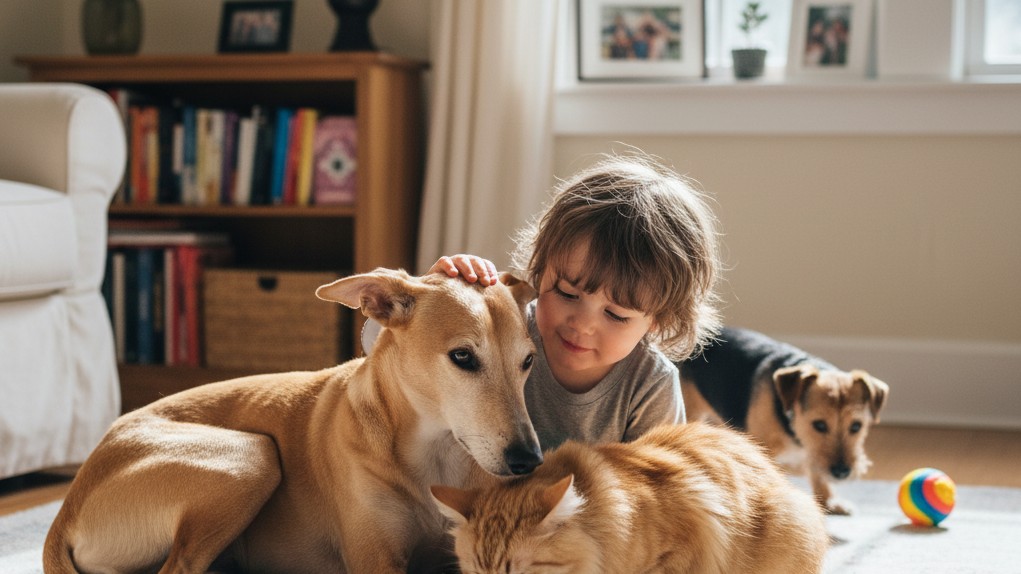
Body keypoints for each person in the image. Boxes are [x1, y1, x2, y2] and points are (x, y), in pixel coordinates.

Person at [392, 155, 721, 450]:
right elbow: (375, 354)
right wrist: (427, 303)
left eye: (616, 315)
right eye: (566, 293)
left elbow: (659, 493)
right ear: (541, 270)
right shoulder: (509, 328)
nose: (582, 323)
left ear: (656, 321)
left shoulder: (651, 384)